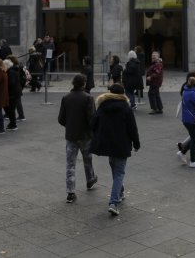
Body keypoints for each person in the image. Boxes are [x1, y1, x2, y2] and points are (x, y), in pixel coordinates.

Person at [89, 84, 140, 216]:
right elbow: (132, 128)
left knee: (114, 167)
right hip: (122, 144)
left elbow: (92, 123)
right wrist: (136, 143)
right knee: (119, 173)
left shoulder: (102, 106)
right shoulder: (126, 108)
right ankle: (113, 202)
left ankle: (120, 192)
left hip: (107, 144)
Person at [58, 73, 98, 203]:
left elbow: (61, 119)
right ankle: (90, 179)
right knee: (88, 159)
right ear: (84, 84)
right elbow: (92, 119)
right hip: (85, 136)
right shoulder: (88, 98)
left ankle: (70, 192)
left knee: (70, 164)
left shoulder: (66, 98)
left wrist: (70, 126)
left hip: (71, 136)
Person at [177, 75, 195, 168]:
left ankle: (182, 152)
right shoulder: (192, 93)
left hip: (188, 118)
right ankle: (193, 161)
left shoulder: (186, 90)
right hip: (192, 119)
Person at [4, 58, 22, 130]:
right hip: (15, 92)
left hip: (13, 93)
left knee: (10, 109)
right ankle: (12, 123)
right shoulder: (13, 70)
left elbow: (11, 83)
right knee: (10, 108)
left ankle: (13, 124)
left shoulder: (10, 72)